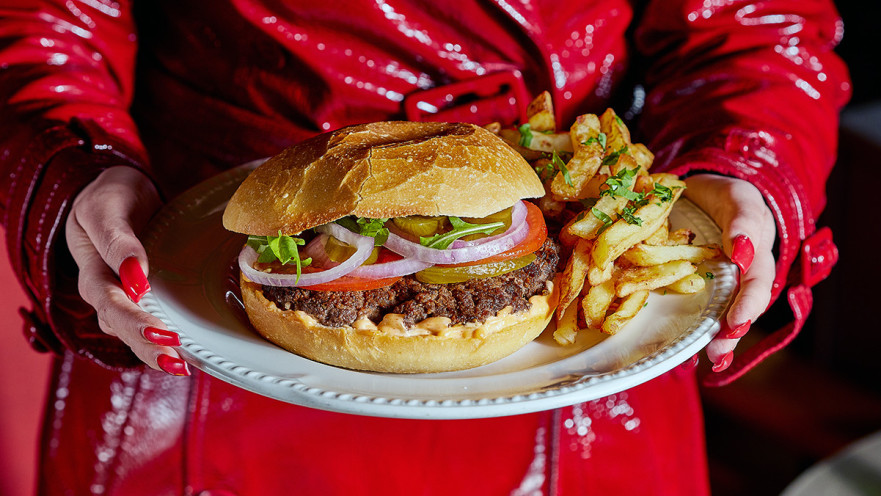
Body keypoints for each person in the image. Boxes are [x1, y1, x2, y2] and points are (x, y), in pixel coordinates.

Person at [0, 1, 849, 494]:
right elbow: (44, 18)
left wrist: (746, 164)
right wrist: (74, 167)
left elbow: (754, 28)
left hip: (574, 320)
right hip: (197, 282)